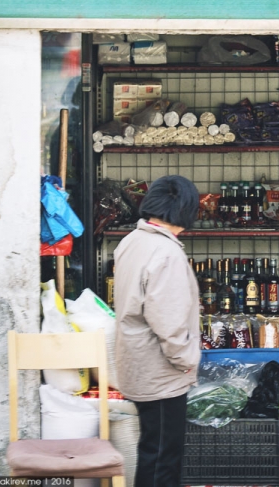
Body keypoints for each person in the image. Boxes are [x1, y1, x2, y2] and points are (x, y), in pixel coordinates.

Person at [114, 175, 201, 487]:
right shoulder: (166, 253)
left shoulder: (132, 241)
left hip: (136, 363)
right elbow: (168, 321)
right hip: (160, 372)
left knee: (152, 450)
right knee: (163, 459)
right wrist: (186, 360)